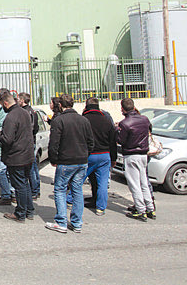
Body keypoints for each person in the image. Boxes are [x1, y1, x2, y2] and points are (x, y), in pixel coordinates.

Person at [45, 94, 94, 233]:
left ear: (60, 105)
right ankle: (77, 222)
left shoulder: (59, 120)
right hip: (81, 161)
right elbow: (91, 142)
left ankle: (61, 221)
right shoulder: (84, 120)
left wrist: (53, 159)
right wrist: (85, 154)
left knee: (60, 189)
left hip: (66, 161)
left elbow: (54, 143)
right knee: (77, 190)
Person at [0, 90, 35, 223]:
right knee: (25, 183)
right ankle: (29, 210)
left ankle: (20, 213)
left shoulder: (11, 117)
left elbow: (7, 139)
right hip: (27, 154)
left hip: (16, 156)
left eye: (1, 104)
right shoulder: (24, 113)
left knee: (20, 185)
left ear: (5, 103)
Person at [117, 97, 155, 222]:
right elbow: (149, 129)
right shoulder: (144, 119)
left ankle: (140, 210)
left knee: (134, 184)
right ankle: (150, 207)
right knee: (144, 182)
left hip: (131, 154)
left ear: (122, 109)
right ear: (133, 107)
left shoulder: (125, 123)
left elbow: (121, 140)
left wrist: (117, 131)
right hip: (144, 154)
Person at [82, 97, 117, 216]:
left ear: (86, 106)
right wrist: (113, 158)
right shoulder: (106, 120)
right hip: (104, 155)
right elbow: (113, 141)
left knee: (79, 179)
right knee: (102, 182)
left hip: (89, 155)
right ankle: (100, 208)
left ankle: (70, 200)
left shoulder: (84, 120)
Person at [0, 88, 15, 205]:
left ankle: (7, 194)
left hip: (2, 146)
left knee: (0, 171)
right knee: (6, 172)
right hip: (1, 146)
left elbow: (2, 129)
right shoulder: (2, 110)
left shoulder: (6, 113)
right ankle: (11, 192)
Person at [17, 92, 40, 200]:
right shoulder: (32, 111)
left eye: (18, 99)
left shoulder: (26, 112)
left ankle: (34, 190)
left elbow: (31, 128)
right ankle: (36, 189)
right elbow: (36, 128)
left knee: (30, 168)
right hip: (31, 141)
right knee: (34, 167)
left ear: (22, 100)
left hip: (28, 143)